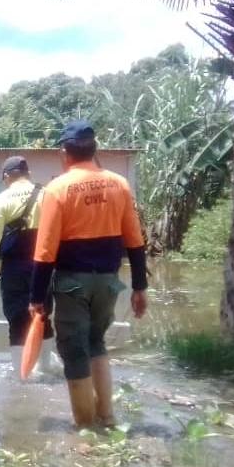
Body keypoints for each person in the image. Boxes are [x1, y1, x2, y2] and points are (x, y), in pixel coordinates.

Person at [29, 120, 148, 427]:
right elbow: (135, 240)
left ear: (64, 153)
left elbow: (45, 251)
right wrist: (139, 286)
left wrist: (36, 298)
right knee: (97, 343)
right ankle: (106, 417)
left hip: (72, 283)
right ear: (94, 150)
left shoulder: (57, 189)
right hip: (109, 282)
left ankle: (84, 429)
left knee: (74, 352)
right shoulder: (119, 184)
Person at [0, 155, 56, 375]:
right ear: (28, 174)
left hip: (14, 267)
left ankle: (21, 376)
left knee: (16, 319)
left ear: (6, 177)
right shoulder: (46, 195)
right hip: (43, 266)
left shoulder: (1, 200)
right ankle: (47, 368)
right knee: (42, 315)